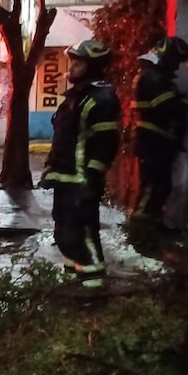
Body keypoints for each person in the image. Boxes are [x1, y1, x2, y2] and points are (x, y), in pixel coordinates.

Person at [40, 40, 121, 289]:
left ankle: (93, 284)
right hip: (65, 179)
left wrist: (92, 180)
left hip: (81, 181)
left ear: (93, 66)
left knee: (84, 232)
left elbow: (106, 145)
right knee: (64, 233)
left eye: (79, 62)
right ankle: (72, 281)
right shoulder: (76, 99)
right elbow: (64, 139)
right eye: (73, 61)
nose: (72, 66)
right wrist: (50, 168)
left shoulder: (102, 100)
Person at [132, 36, 188, 226]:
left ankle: (148, 226)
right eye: (175, 62)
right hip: (154, 142)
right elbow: (166, 109)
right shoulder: (154, 78)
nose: (176, 68)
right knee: (154, 187)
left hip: (154, 141)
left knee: (158, 186)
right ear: (167, 58)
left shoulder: (152, 76)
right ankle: (141, 230)